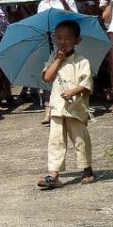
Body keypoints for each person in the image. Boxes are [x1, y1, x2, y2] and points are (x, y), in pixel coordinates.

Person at [37, 19, 96, 189]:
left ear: (77, 40)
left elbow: (86, 84)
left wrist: (73, 91)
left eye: (68, 38)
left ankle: (87, 169)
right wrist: (57, 61)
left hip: (76, 108)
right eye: (59, 38)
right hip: (56, 107)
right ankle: (53, 174)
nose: (63, 42)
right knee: (55, 141)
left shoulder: (81, 61)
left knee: (80, 139)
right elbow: (47, 78)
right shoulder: (53, 58)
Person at [37, 0, 79, 124]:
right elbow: (40, 23)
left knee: (69, 70)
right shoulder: (42, 4)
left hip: (67, 39)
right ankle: (49, 108)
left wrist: (63, 1)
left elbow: (75, 16)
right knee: (51, 72)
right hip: (51, 40)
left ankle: (72, 104)